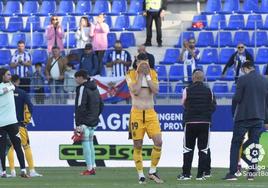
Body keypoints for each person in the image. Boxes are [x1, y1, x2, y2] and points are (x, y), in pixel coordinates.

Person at [224, 60, 268, 181]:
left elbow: (237, 98)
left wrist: (233, 113)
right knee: (255, 145)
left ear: (245, 68)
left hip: (243, 117)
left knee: (236, 144)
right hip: (259, 117)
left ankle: (232, 173)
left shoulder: (242, 79)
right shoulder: (265, 80)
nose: (243, 72)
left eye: (243, 70)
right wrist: (266, 120)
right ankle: (252, 172)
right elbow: (267, 102)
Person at [126, 54, 163, 184]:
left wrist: (147, 75)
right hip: (136, 113)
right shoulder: (130, 74)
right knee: (138, 145)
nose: (143, 63)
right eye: (141, 61)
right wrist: (140, 75)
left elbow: (156, 90)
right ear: (136, 62)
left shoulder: (152, 73)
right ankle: (141, 175)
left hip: (150, 113)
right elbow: (135, 90)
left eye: (145, 61)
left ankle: (152, 171)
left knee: (158, 141)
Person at [177, 69, 216, 181]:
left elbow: (183, 104)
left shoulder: (187, 90)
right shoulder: (209, 91)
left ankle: (186, 174)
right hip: (205, 123)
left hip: (190, 123)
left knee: (188, 149)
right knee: (203, 149)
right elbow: (212, 105)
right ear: (203, 79)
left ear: (193, 78)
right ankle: (200, 175)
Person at [7, 75, 42, 177]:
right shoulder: (22, 93)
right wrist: (26, 120)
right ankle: (31, 170)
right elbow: (30, 107)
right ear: (18, 81)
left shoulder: (5, 93)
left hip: (7, 125)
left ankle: (12, 171)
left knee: (11, 148)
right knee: (26, 146)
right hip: (20, 124)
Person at [73, 69, 103, 175]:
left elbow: (80, 106)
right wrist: (95, 116)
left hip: (84, 121)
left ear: (81, 77)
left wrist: (78, 123)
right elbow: (101, 104)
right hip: (93, 120)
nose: (75, 80)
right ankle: (93, 166)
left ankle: (90, 169)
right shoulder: (95, 87)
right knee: (91, 144)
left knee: (86, 144)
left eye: (76, 78)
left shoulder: (82, 88)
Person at [0, 68, 28, 178]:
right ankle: (3, 171)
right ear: (2, 76)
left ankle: (23, 170)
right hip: (3, 122)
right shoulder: (9, 86)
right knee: (3, 148)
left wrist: (11, 87)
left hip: (11, 122)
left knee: (17, 146)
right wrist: (11, 87)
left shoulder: (11, 85)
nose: (10, 76)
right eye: (8, 74)